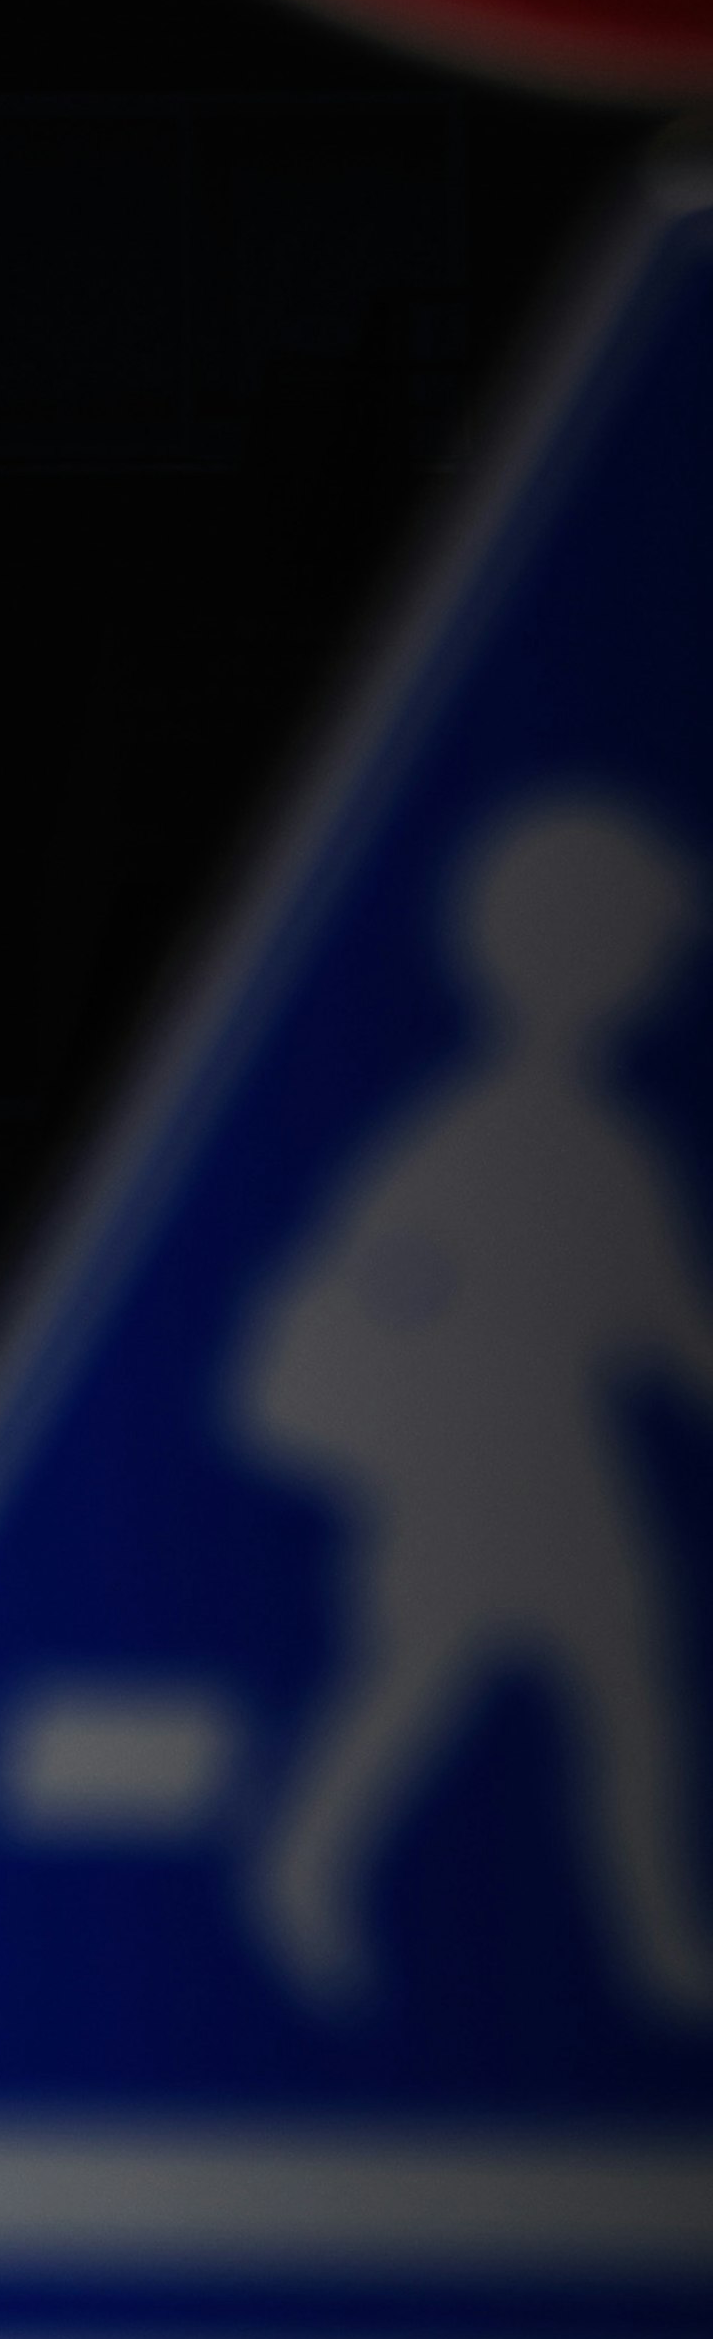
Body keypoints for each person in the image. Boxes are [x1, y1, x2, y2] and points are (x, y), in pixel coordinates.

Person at [233, 788, 713, 2023]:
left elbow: (667, 1321)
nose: (659, 974)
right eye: (642, 946)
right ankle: (302, 1872)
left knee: (622, 1700)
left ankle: (657, 1947)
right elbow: (399, 1287)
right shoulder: (483, 1139)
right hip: (479, 1471)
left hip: (551, 1467)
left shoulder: (595, 1142)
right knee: (429, 1684)